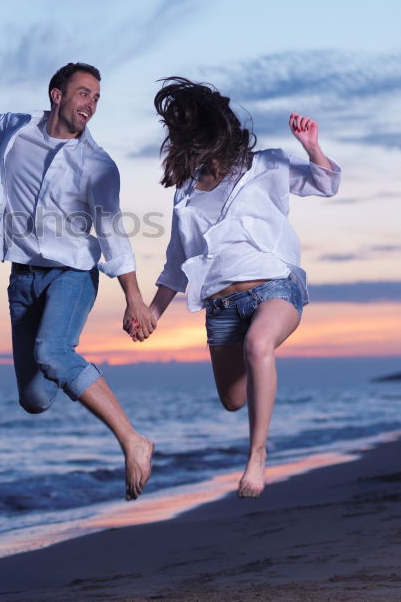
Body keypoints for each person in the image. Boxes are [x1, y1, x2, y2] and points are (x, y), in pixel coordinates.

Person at [0, 58, 156, 500]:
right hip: (22, 278)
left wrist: (134, 299)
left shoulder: (98, 164)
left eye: (97, 98)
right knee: (35, 399)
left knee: (53, 351)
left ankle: (133, 440)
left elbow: (113, 231)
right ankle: (70, 369)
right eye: (84, 93)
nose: (92, 104)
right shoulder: (16, 131)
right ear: (57, 95)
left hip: (73, 274)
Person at [139, 77, 341, 498]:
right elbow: (177, 263)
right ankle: (263, 380)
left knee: (258, 346)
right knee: (233, 400)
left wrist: (312, 147)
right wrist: (153, 312)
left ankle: (257, 455)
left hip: (274, 288)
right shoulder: (186, 192)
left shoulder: (266, 165)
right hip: (221, 307)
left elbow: (325, 183)